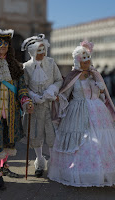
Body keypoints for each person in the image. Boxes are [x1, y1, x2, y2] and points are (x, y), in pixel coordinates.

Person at [48, 41, 115, 187]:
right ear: (78, 61)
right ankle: (80, 173)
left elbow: (103, 95)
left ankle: (103, 172)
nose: (87, 62)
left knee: (102, 141)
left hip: (98, 112)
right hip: (77, 111)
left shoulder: (95, 75)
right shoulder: (73, 76)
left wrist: (101, 89)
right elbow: (65, 93)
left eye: (88, 59)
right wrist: (57, 98)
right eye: (84, 60)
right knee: (85, 142)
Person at [0, 27, 34, 190]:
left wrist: (26, 101)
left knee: (9, 140)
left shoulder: (16, 66)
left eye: (5, 43)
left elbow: (22, 88)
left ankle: (5, 167)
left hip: (11, 110)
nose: (2, 45)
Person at [21, 34, 63, 177]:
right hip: (34, 107)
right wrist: (32, 96)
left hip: (50, 105)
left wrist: (51, 90)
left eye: (43, 50)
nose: (42, 53)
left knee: (51, 135)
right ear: (32, 52)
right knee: (35, 134)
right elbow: (23, 86)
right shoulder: (26, 67)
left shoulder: (51, 63)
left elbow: (58, 80)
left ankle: (53, 163)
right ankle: (39, 161)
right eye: (39, 51)